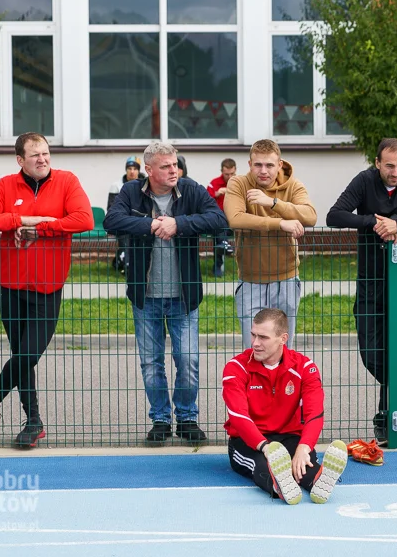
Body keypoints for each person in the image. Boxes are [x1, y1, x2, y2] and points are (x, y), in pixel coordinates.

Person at [0, 132, 94, 448]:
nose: (42, 159)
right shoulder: (7, 185)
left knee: (27, 353)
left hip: (48, 286)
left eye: (46, 153)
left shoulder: (66, 181)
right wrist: (21, 219)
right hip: (9, 284)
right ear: (20, 160)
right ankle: (33, 421)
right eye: (35, 155)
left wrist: (42, 228)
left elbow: (84, 219)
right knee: (22, 355)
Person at [104, 142, 227, 445]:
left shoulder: (191, 189)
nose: (174, 170)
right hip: (145, 297)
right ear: (149, 170)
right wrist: (149, 225)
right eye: (166, 166)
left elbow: (218, 219)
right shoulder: (131, 192)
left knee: (187, 360)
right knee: (151, 363)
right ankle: (160, 419)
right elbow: (112, 220)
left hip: (183, 297)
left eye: (175, 165)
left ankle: (186, 418)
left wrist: (179, 224)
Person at [326, 138, 397, 445]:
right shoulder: (365, 181)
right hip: (370, 280)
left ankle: (385, 418)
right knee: (370, 353)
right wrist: (373, 222)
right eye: (390, 165)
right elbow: (334, 215)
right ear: (378, 163)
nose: (396, 172)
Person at [222, 308, 348, 504]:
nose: (255, 343)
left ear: (283, 338)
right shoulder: (236, 367)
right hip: (249, 442)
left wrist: (304, 447)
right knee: (264, 466)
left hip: (290, 437)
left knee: (302, 463)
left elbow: (315, 412)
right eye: (253, 335)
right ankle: (279, 485)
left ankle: (318, 481)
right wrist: (265, 446)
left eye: (263, 337)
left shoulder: (304, 367)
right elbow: (239, 416)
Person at [224, 139, 317, 349]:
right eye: (257, 165)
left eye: (269, 165)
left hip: (285, 279)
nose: (263, 171)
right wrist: (281, 223)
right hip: (250, 279)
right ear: (249, 164)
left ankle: (283, 384)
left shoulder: (293, 185)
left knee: (283, 348)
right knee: (253, 348)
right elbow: (236, 218)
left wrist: (273, 203)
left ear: (280, 164)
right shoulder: (238, 183)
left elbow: (310, 216)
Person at [108, 156, 146, 274]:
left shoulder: (147, 184)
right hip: (124, 223)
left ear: (139, 170)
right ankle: (127, 266)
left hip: (142, 222)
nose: (132, 171)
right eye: (129, 168)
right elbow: (111, 208)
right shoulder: (117, 185)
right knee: (126, 241)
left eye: (135, 168)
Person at [206, 158, 238, 277]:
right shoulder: (214, 184)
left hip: (236, 219)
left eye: (232, 174)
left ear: (235, 172)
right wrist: (216, 194)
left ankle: (223, 246)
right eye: (226, 174)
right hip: (218, 221)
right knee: (220, 227)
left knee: (220, 236)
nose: (229, 177)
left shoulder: (241, 183)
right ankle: (222, 251)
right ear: (221, 172)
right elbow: (205, 203)